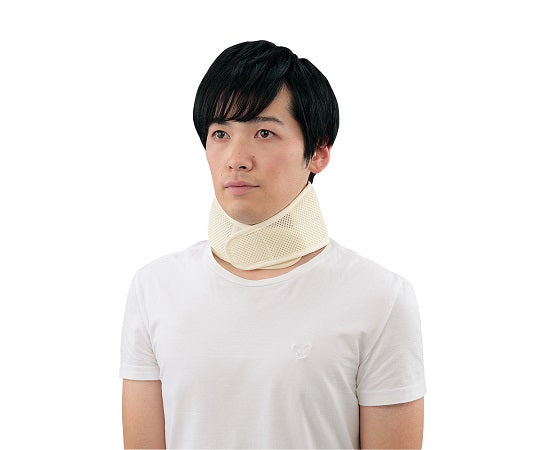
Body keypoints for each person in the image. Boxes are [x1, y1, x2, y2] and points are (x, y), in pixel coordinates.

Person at [120, 40, 426, 449]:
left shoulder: (380, 298)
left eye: (264, 133)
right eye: (220, 133)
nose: (236, 158)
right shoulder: (154, 288)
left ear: (318, 152)